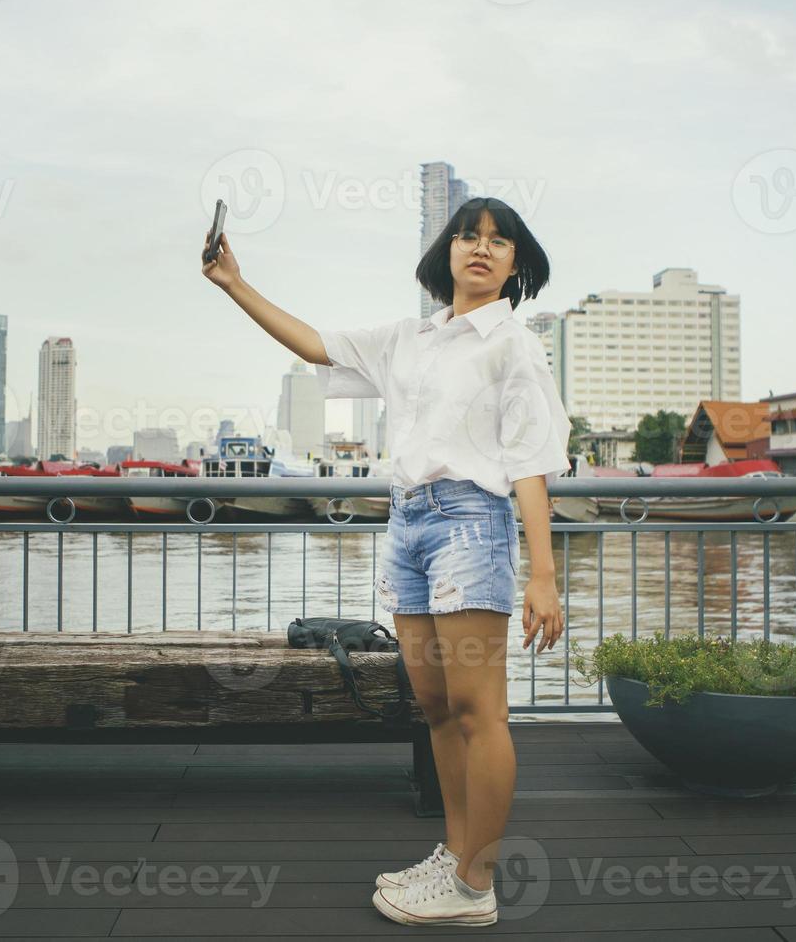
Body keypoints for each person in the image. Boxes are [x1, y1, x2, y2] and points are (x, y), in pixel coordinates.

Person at [201, 195, 570, 928]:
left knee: (478, 710)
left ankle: (477, 885)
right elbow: (313, 344)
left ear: (516, 264)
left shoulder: (513, 345)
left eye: (499, 241)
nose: (481, 248)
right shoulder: (410, 338)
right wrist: (234, 283)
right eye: (469, 235)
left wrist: (543, 572)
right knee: (434, 706)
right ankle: (456, 855)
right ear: (447, 254)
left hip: (471, 524)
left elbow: (530, 461)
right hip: (407, 527)